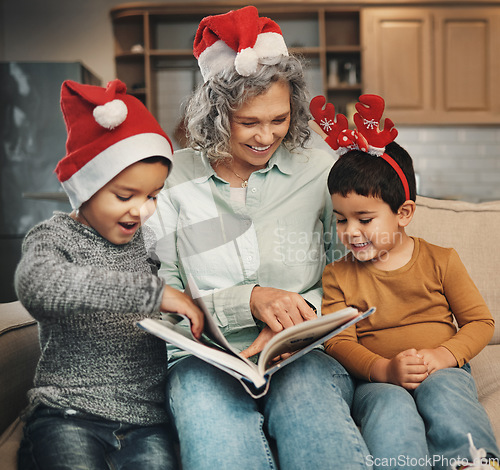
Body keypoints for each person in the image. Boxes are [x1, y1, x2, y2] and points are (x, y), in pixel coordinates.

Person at [146, 6, 371, 470]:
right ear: (214, 114)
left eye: (279, 118)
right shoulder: (171, 178)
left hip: (303, 354)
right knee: (213, 426)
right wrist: (247, 300)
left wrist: (298, 316)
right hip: (203, 358)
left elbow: (350, 272)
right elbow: (159, 292)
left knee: (310, 411)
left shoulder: (321, 172)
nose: (267, 136)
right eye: (248, 123)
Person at [14, 79, 204, 470]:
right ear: (86, 187)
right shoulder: (55, 236)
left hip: (147, 425)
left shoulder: (147, 242)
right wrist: (152, 293)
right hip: (69, 413)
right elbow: (38, 285)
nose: (141, 211)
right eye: (125, 196)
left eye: (152, 196)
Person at [315, 93, 500, 470]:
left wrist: (442, 357)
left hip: (442, 368)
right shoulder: (338, 274)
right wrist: (384, 370)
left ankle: (473, 464)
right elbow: (338, 341)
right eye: (341, 219)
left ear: (404, 213)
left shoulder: (440, 260)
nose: (350, 232)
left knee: (447, 393)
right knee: (389, 409)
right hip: (378, 378)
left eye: (364, 219)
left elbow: (480, 323)